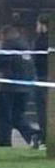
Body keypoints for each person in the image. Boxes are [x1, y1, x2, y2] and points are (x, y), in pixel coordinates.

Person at [0, 26, 41, 149]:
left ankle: (4, 142)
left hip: (9, 87)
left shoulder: (8, 46)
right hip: (25, 87)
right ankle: (32, 135)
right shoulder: (25, 46)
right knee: (17, 116)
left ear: (4, 35)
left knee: (4, 117)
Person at [34, 16, 49, 144]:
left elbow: (37, 60)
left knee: (42, 110)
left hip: (42, 77)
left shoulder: (41, 41)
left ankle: (44, 136)